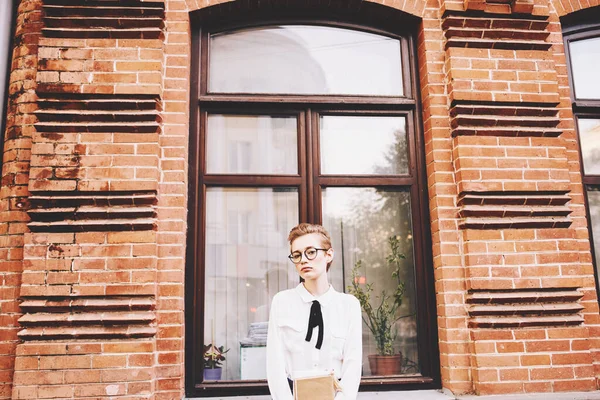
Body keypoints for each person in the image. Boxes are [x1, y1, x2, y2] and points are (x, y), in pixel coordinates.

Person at [266, 223, 362, 400]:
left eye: (311, 252)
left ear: (329, 254)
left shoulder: (348, 305)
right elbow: (275, 364)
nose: (303, 259)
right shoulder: (282, 302)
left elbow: (353, 365)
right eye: (297, 255)